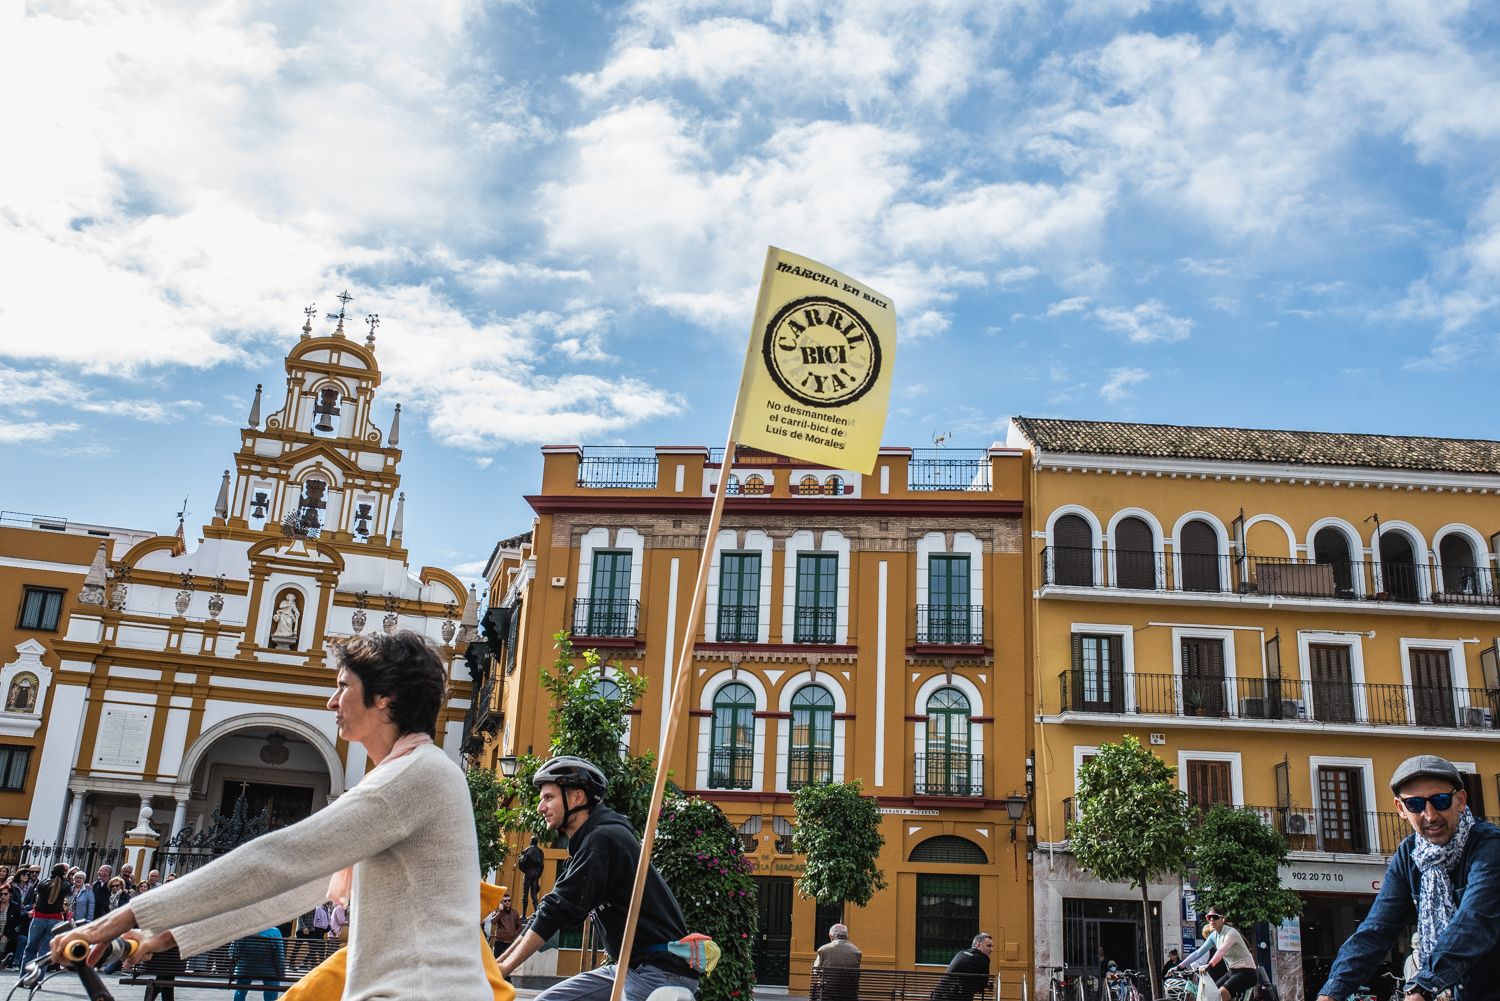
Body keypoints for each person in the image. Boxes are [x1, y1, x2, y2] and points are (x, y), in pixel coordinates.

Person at [53, 630, 491, 1000]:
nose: (330, 701)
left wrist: (122, 917)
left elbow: (279, 856)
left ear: (385, 698)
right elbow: (301, 888)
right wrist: (166, 938)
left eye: (343, 686)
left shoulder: (411, 778)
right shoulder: (413, 772)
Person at [497, 755, 699, 1001]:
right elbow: (547, 910)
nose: (541, 807)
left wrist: (504, 970)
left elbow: (555, 912)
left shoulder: (603, 840)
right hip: (630, 968)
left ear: (577, 798)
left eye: (548, 797)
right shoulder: (591, 842)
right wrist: (499, 965)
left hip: (660, 971)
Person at [1316, 754, 1500, 1001]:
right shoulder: (1409, 854)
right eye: (1415, 805)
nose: (1430, 815)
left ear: (1461, 800)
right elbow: (1376, 930)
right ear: (1400, 808)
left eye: (1441, 800)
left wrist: (1423, 987)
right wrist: (1331, 993)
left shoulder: (1490, 846)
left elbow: (1474, 922)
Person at [1175, 910, 1256, 1001]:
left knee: (1219, 995)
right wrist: (1179, 966)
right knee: (1210, 995)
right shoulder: (1214, 935)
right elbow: (1198, 952)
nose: (1212, 920)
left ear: (1222, 919)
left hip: (1247, 973)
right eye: (1209, 917)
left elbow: (1221, 951)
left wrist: (1209, 965)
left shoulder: (1231, 933)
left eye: (1215, 917)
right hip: (1232, 972)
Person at [20, 863, 72, 971]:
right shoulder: (66, 885)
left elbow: (37, 894)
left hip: (39, 917)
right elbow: (67, 890)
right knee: (44, 951)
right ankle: (38, 979)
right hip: (55, 918)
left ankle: (23, 976)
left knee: (30, 948)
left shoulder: (43, 883)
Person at [229, 926, 286, 1001]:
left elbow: (232, 954)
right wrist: (281, 973)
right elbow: (279, 956)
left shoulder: (242, 929)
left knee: (241, 985)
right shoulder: (275, 932)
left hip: (245, 970)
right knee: (273, 982)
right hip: (268, 972)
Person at [935, 932, 993, 1001]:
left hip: (938, 994)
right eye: (988, 946)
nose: (991, 949)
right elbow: (982, 985)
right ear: (978, 945)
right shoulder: (984, 959)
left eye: (992, 946)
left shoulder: (960, 953)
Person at [812, 923, 861, 1001]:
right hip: (849, 995)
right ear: (847, 936)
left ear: (831, 936)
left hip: (827, 995)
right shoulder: (857, 952)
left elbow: (816, 970)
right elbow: (856, 973)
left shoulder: (823, 949)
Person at [489, 891, 523, 959]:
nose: (507, 902)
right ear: (502, 903)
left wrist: (514, 933)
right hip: (499, 942)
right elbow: (493, 921)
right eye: (505, 901)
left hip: (510, 942)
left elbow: (519, 926)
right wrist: (500, 912)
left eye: (509, 900)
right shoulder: (498, 912)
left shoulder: (515, 913)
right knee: (497, 962)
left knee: (507, 962)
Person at [517, 835, 544, 916]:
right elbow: (542, 866)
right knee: (534, 894)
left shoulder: (528, 850)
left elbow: (522, 862)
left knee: (525, 894)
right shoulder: (540, 852)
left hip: (528, 873)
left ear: (531, 841)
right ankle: (537, 913)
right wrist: (538, 876)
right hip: (536, 874)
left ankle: (524, 915)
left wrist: (523, 869)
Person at [0, 886, 24, 969]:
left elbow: (15, 923)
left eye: (5, 894)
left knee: (23, 939)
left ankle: (15, 963)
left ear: (10, 894)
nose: (3, 896)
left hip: (9, 931)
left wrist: (5, 934)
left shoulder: (15, 906)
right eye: (1, 894)